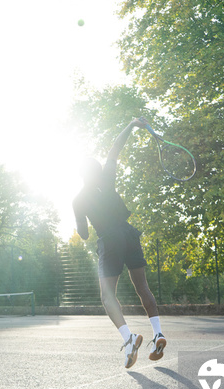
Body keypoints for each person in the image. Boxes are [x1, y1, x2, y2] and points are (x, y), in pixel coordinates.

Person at [72, 117, 167, 369]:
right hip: (129, 233)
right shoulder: (107, 179)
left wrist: (81, 224)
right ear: (97, 170)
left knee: (107, 296)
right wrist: (132, 124)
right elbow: (116, 148)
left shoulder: (78, 199)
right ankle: (158, 333)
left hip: (110, 240)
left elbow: (83, 235)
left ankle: (129, 339)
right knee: (142, 287)